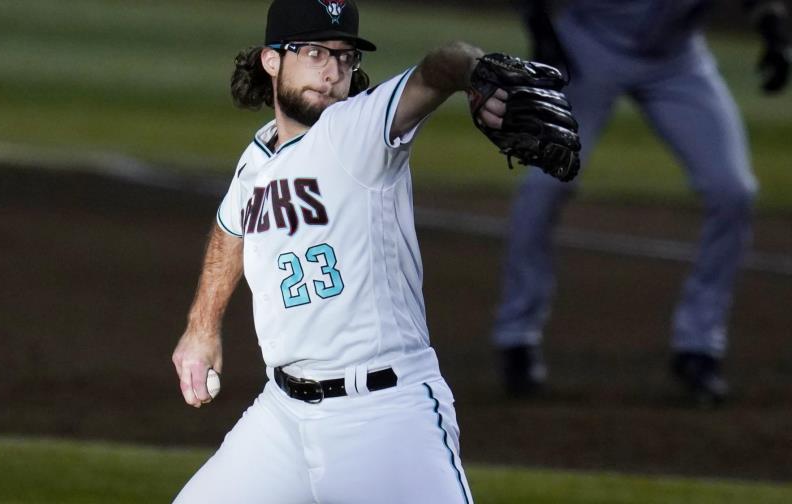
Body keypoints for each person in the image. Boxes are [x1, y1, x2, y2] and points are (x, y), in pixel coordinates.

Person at [169, 1, 516, 502]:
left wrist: (475, 72)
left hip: (385, 417)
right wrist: (201, 327)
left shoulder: (358, 129)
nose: (332, 72)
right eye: (314, 53)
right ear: (272, 60)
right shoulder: (258, 157)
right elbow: (231, 228)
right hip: (282, 417)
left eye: (344, 56)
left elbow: (439, 66)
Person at [493, 0, 789, 403]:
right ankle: (517, 338)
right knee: (546, 184)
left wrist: (772, 29)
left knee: (732, 190)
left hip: (677, 60)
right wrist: (540, 27)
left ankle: (699, 347)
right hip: (587, 48)